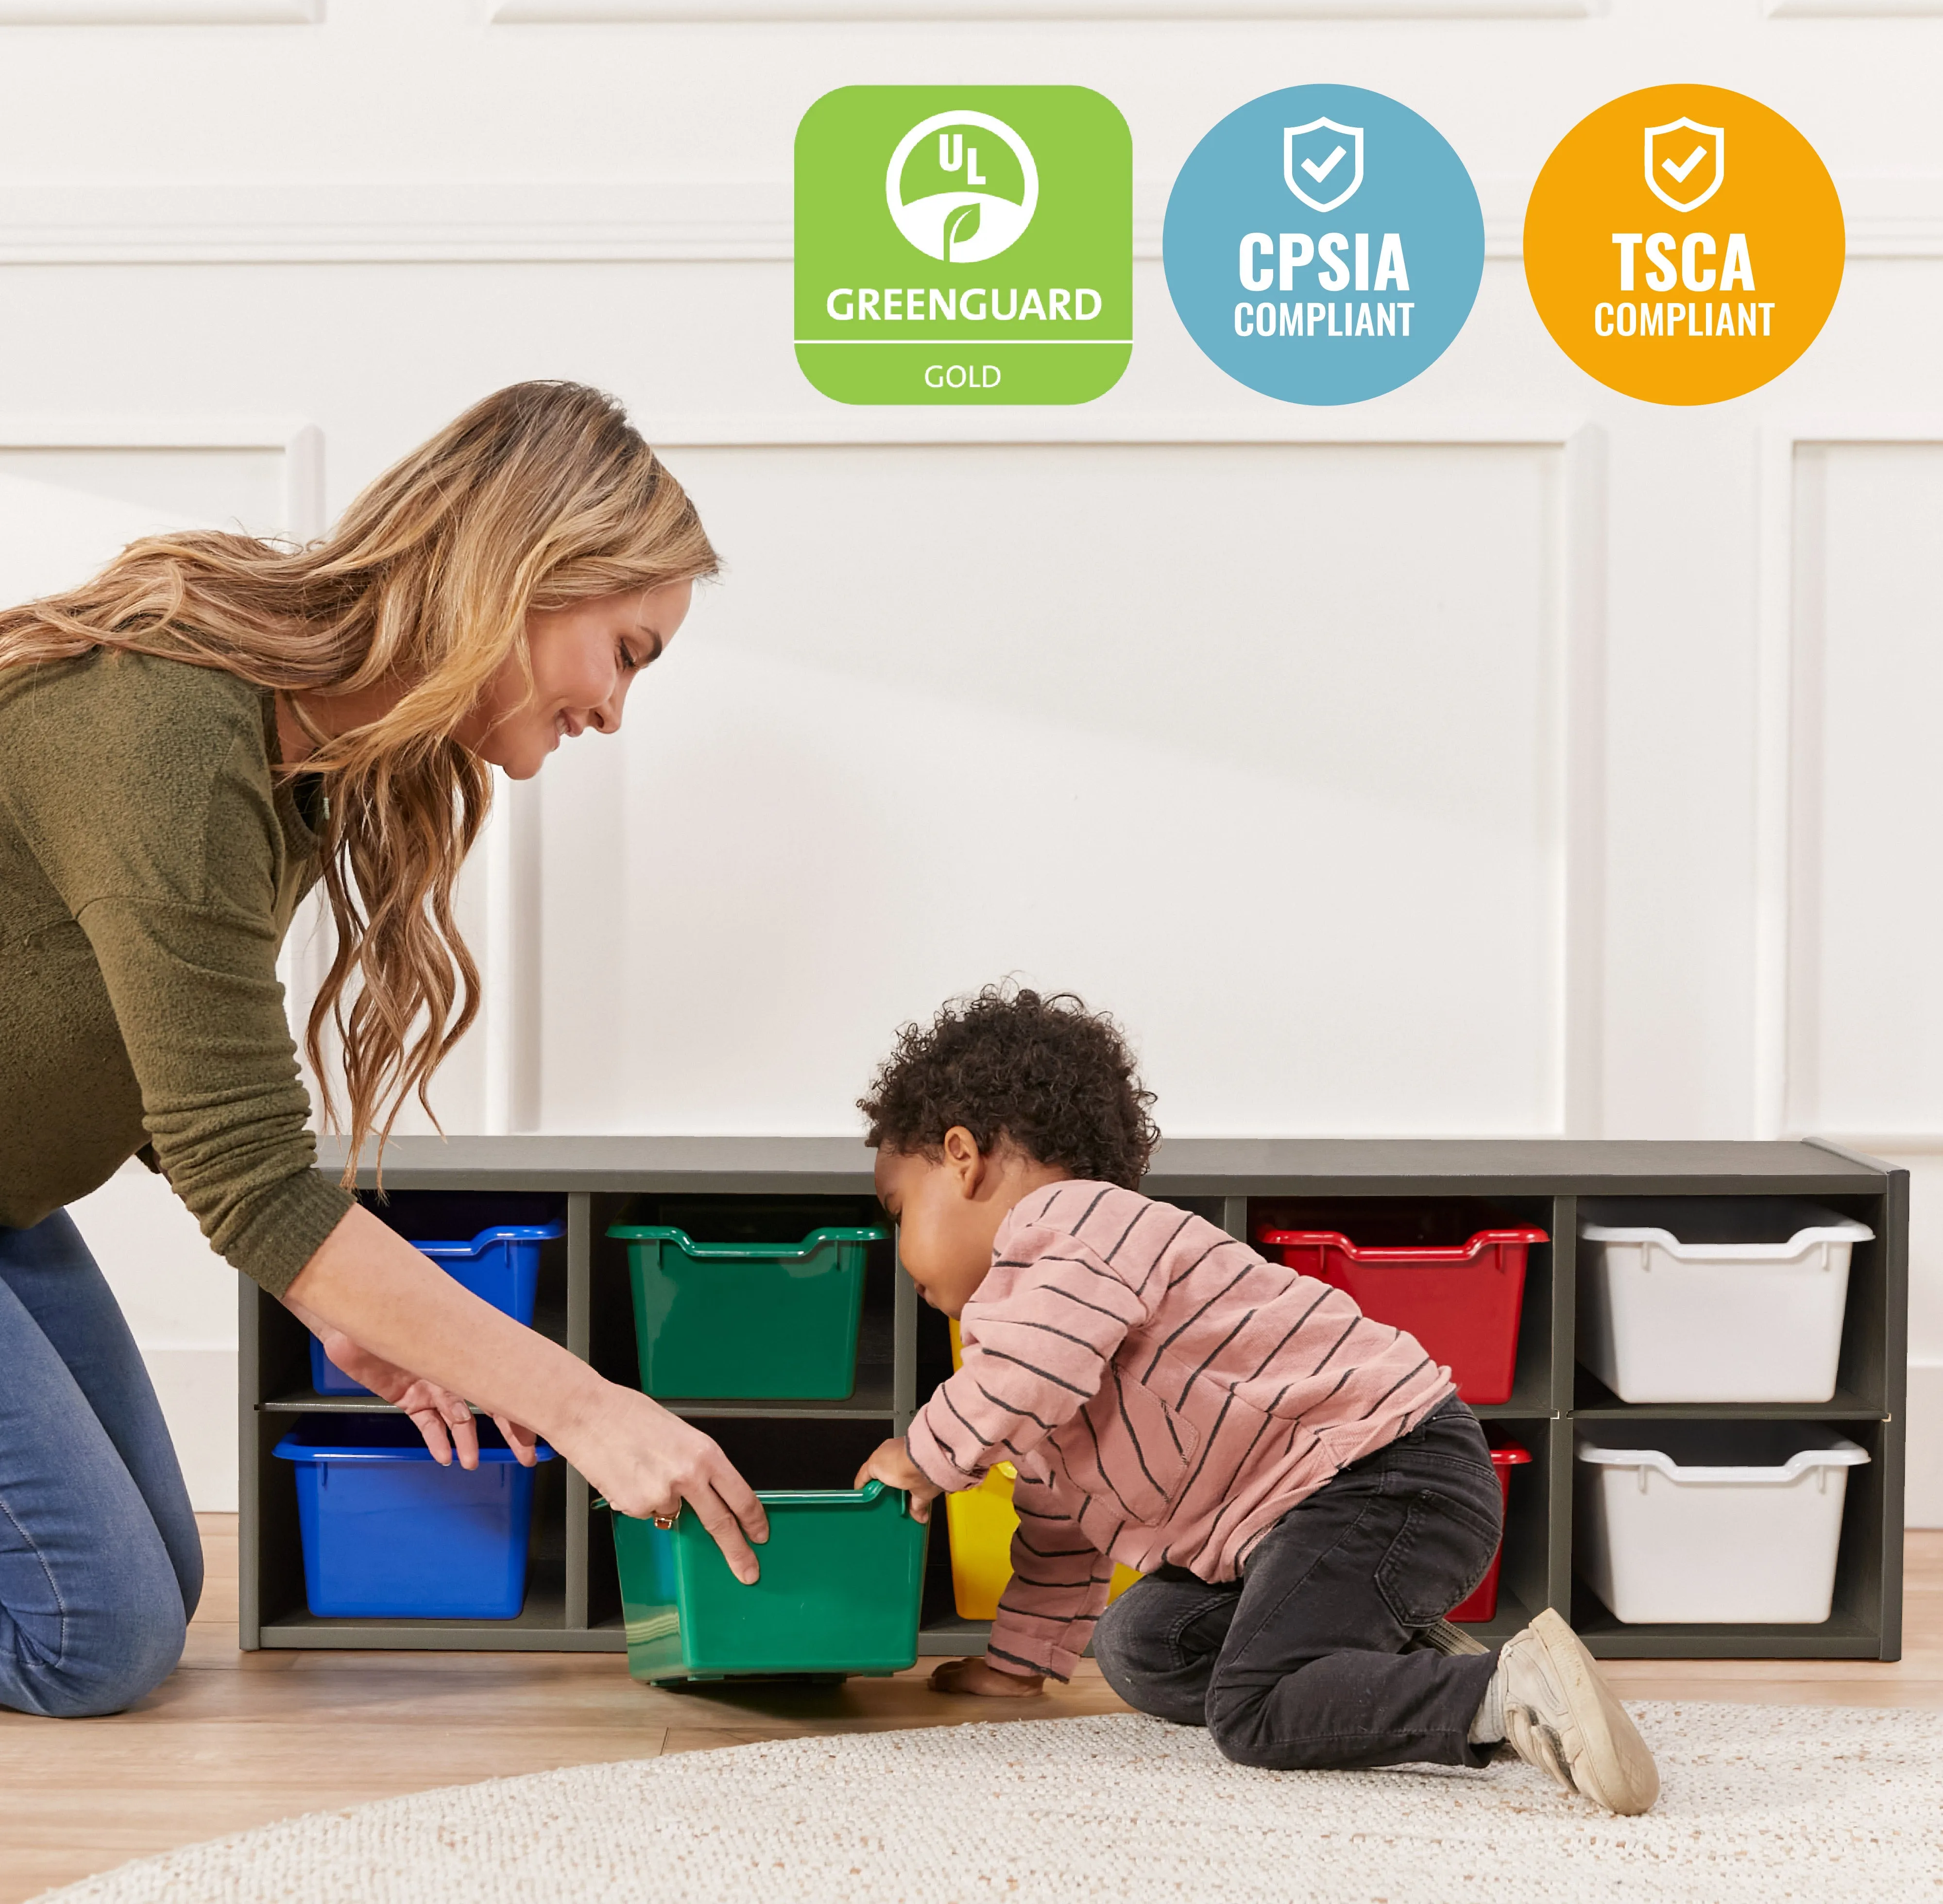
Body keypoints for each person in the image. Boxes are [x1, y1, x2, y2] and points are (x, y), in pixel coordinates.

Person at [0, 382, 768, 1719]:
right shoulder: (173, 728)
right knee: (89, 1638)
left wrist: (331, 1306)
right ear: (532, 568)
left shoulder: (302, 756)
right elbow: (249, 1167)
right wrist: (591, 1410)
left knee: (159, 1582)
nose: (620, 709)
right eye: (630, 650)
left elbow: (173, 1089)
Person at [852, 985, 1659, 1816]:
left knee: (1251, 1709)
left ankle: (1502, 1698)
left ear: (962, 1155)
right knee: (1139, 1646)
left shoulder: (1075, 1226)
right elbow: (1060, 1527)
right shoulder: (1029, 1364)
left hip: (1389, 1472)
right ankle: (1387, 1648)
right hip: (1301, 1528)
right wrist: (1019, 1663)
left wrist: (924, 1450)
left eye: (898, 1208)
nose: (897, 1243)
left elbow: (1036, 1361)